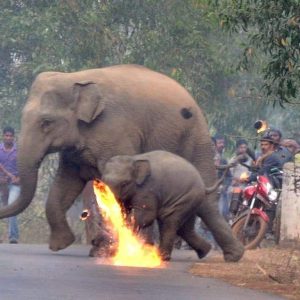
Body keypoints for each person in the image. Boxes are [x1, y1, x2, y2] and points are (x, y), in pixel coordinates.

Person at [0, 126, 20, 244]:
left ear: (13, 137)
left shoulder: (19, 151)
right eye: (6, 135)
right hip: (0, 183)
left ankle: (13, 237)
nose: (8, 138)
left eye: (10, 136)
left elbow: (25, 167)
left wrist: (19, 178)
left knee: (12, 207)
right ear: (3, 136)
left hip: (14, 185)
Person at [213, 134, 232, 220]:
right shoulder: (206, 158)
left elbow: (229, 177)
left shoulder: (223, 160)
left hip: (219, 192)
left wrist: (224, 186)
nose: (222, 145)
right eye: (219, 142)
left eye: (223, 143)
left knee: (220, 214)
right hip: (207, 191)